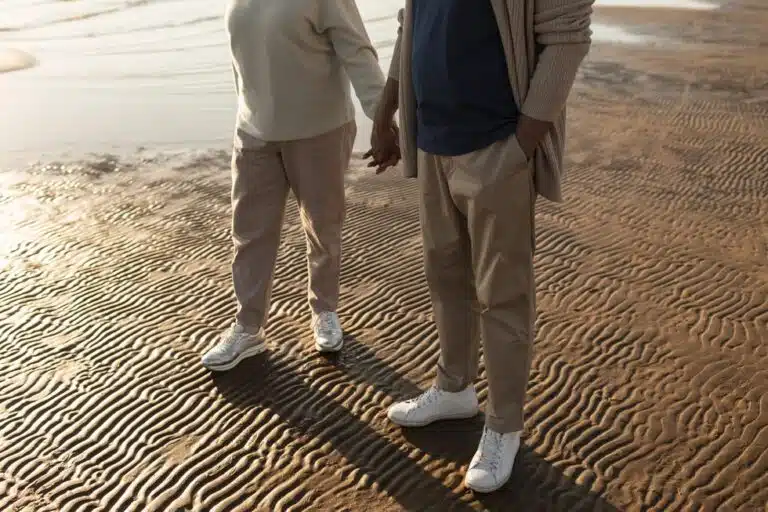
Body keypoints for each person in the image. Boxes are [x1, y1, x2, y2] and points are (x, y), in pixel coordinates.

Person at [367, 0, 593, 493]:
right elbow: (411, 23)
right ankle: (454, 389)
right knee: (446, 276)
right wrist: (387, 110)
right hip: (432, 143)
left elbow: (567, 34)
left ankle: (503, 425)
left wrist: (522, 146)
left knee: (502, 293)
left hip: (496, 146)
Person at [202, 0, 386, 371]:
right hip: (254, 131)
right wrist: (245, 115)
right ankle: (248, 326)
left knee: (322, 226)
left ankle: (324, 310)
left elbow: (358, 51)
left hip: (319, 130)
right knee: (249, 233)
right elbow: (244, 57)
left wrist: (382, 118)